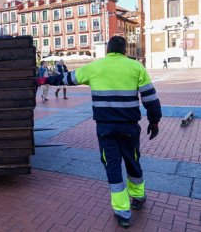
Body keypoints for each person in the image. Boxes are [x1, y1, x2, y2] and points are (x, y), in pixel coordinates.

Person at [38, 36, 162, 228]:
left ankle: (122, 212)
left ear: (107, 50)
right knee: (133, 159)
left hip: (105, 129)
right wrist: (154, 122)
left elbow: (67, 78)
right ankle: (138, 196)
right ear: (124, 51)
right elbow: (150, 99)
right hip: (129, 127)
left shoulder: (95, 67)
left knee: (112, 166)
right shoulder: (136, 67)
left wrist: (44, 79)